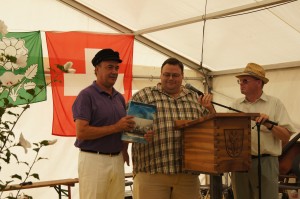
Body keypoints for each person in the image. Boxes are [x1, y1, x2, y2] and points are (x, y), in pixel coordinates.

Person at [130, 57, 215, 199]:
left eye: (175, 75)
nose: (170, 78)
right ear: (160, 75)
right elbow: (130, 131)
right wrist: (140, 135)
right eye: (166, 74)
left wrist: (210, 108)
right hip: (151, 174)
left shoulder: (196, 98)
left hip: (187, 176)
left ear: (182, 77)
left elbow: (212, 130)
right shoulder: (143, 96)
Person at [72, 48, 136, 199]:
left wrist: (129, 143)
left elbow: (123, 128)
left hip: (117, 159)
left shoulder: (119, 98)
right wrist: (116, 127)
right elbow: (82, 132)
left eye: (117, 68)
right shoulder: (86, 96)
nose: (114, 71)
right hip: (94, 160)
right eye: (109, 67)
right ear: (97, 69)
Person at [230, 62, 297, 199]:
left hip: (266, 162)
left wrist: (269, 125)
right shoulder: (235, 105)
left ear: (258, 82)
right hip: (239, 162)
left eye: (245, 81)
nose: (241, 84)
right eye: (240, 81)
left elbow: (285, 137)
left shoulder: (275, 104)